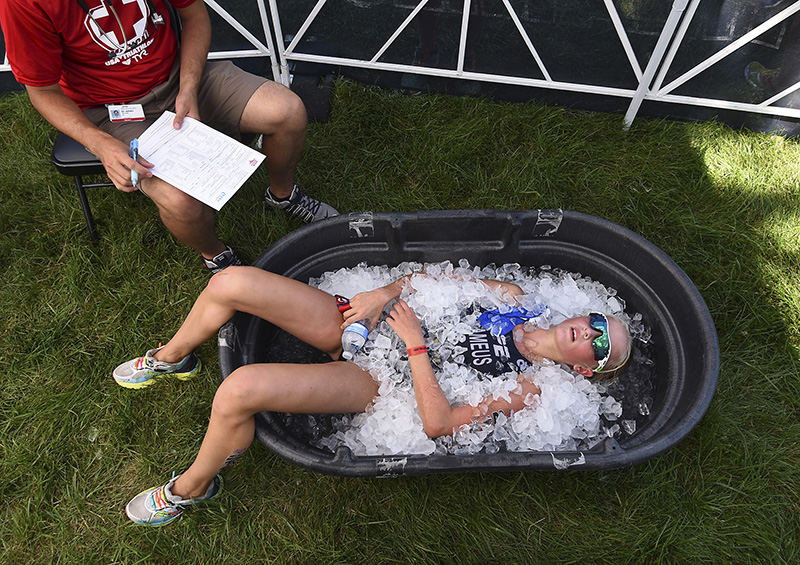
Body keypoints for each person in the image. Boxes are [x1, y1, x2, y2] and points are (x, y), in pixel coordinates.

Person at [114, 265, 632, 526]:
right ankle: (172, 357)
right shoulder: (516, 297)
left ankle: (189, 491)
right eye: (595, 323)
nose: (589, 333)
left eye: (600, 346)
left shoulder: (532, 388)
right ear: (580, 315)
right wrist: (383, 294)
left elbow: (439, 424)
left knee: (237, 392)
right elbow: (432, 276)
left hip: (389, 380)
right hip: (371, 323)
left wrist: (415, 344)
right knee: (230, 281)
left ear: (587, 372)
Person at [0, 0, 338, 273]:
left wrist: (189, 87)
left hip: (181, 73)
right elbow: (42, 91)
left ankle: (282, 196)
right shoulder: (24, 4)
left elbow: (194, 15)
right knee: (180, 201)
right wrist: (100, 144)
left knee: (287, 111)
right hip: (113, 108)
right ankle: (216, 256)